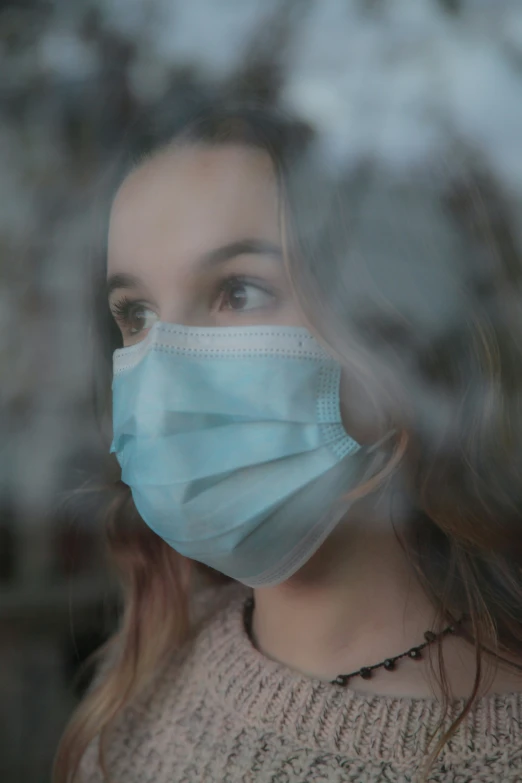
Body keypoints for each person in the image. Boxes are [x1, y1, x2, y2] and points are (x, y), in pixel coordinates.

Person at [53, 99, 522, 783]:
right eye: (137, 313)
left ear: (395, 334)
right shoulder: (141, 680)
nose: (164, 368)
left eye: (239, 291)